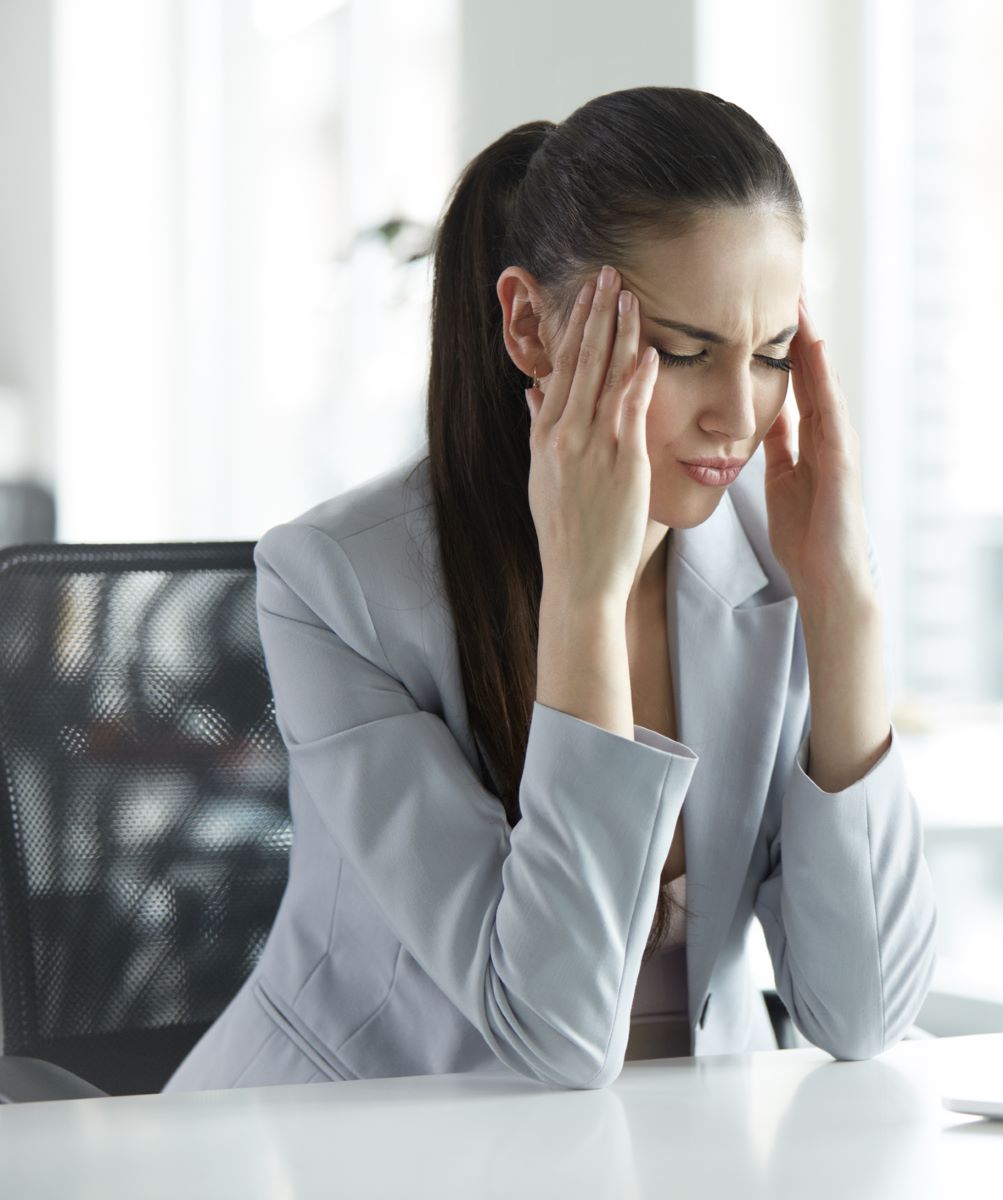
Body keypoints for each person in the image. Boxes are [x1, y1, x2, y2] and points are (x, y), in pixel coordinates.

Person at [163, 86, 937, 1092]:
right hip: (360, 1144)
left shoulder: (778, 557)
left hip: (677, 1148)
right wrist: (584, 597)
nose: (736, 417)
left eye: (773, 355)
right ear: (529, 326)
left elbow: (864, 1014)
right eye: (683, 351)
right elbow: (556, 1037)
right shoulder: (337, 585)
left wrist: (845, 611)